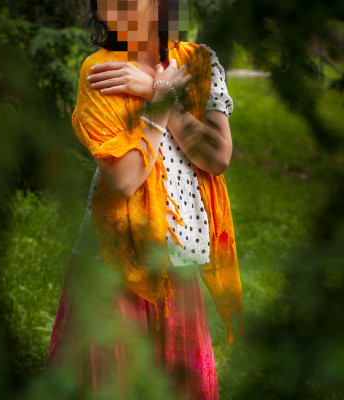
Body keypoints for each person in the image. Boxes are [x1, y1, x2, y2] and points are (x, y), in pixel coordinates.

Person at [45, 1, 245, 399]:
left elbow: (217, 157)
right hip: (111, 259)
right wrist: (160, 101)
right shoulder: (102, 70)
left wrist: (158, 91)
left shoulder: (200, 64)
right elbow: (124, 179)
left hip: (178, 260)